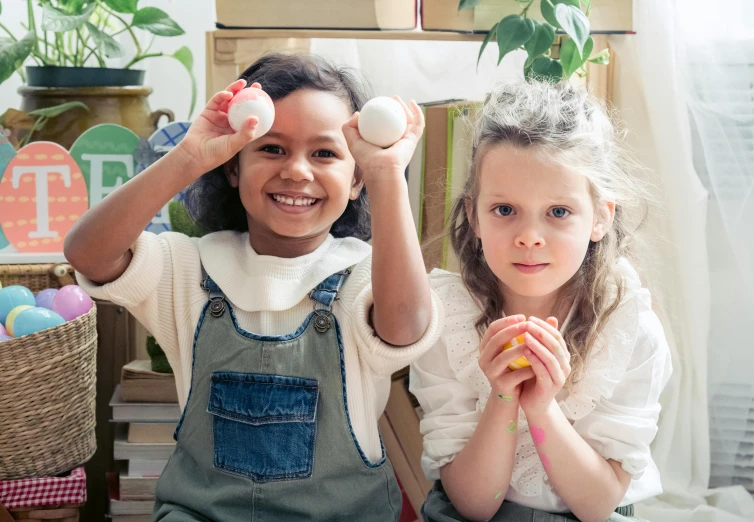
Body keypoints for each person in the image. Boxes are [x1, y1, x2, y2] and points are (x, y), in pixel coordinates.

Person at [64, 52, 443, 521]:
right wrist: (188, 157)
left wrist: (387, 175)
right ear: (232, 167)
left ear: (355, 179)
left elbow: (405, 327)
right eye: (272, 148)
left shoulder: (368, 273)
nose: (297, 171)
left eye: (324, 153)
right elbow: (88, 254)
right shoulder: (189, 268)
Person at [409, 80, 672, 522]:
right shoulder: (447, 318)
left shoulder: (628, 328)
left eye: (558, 212)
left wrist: (542, 408)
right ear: (473, 216)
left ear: (600, 218)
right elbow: (475, 505)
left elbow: (597, 504)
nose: (529, 236)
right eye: (505, 210)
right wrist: (502, 398)